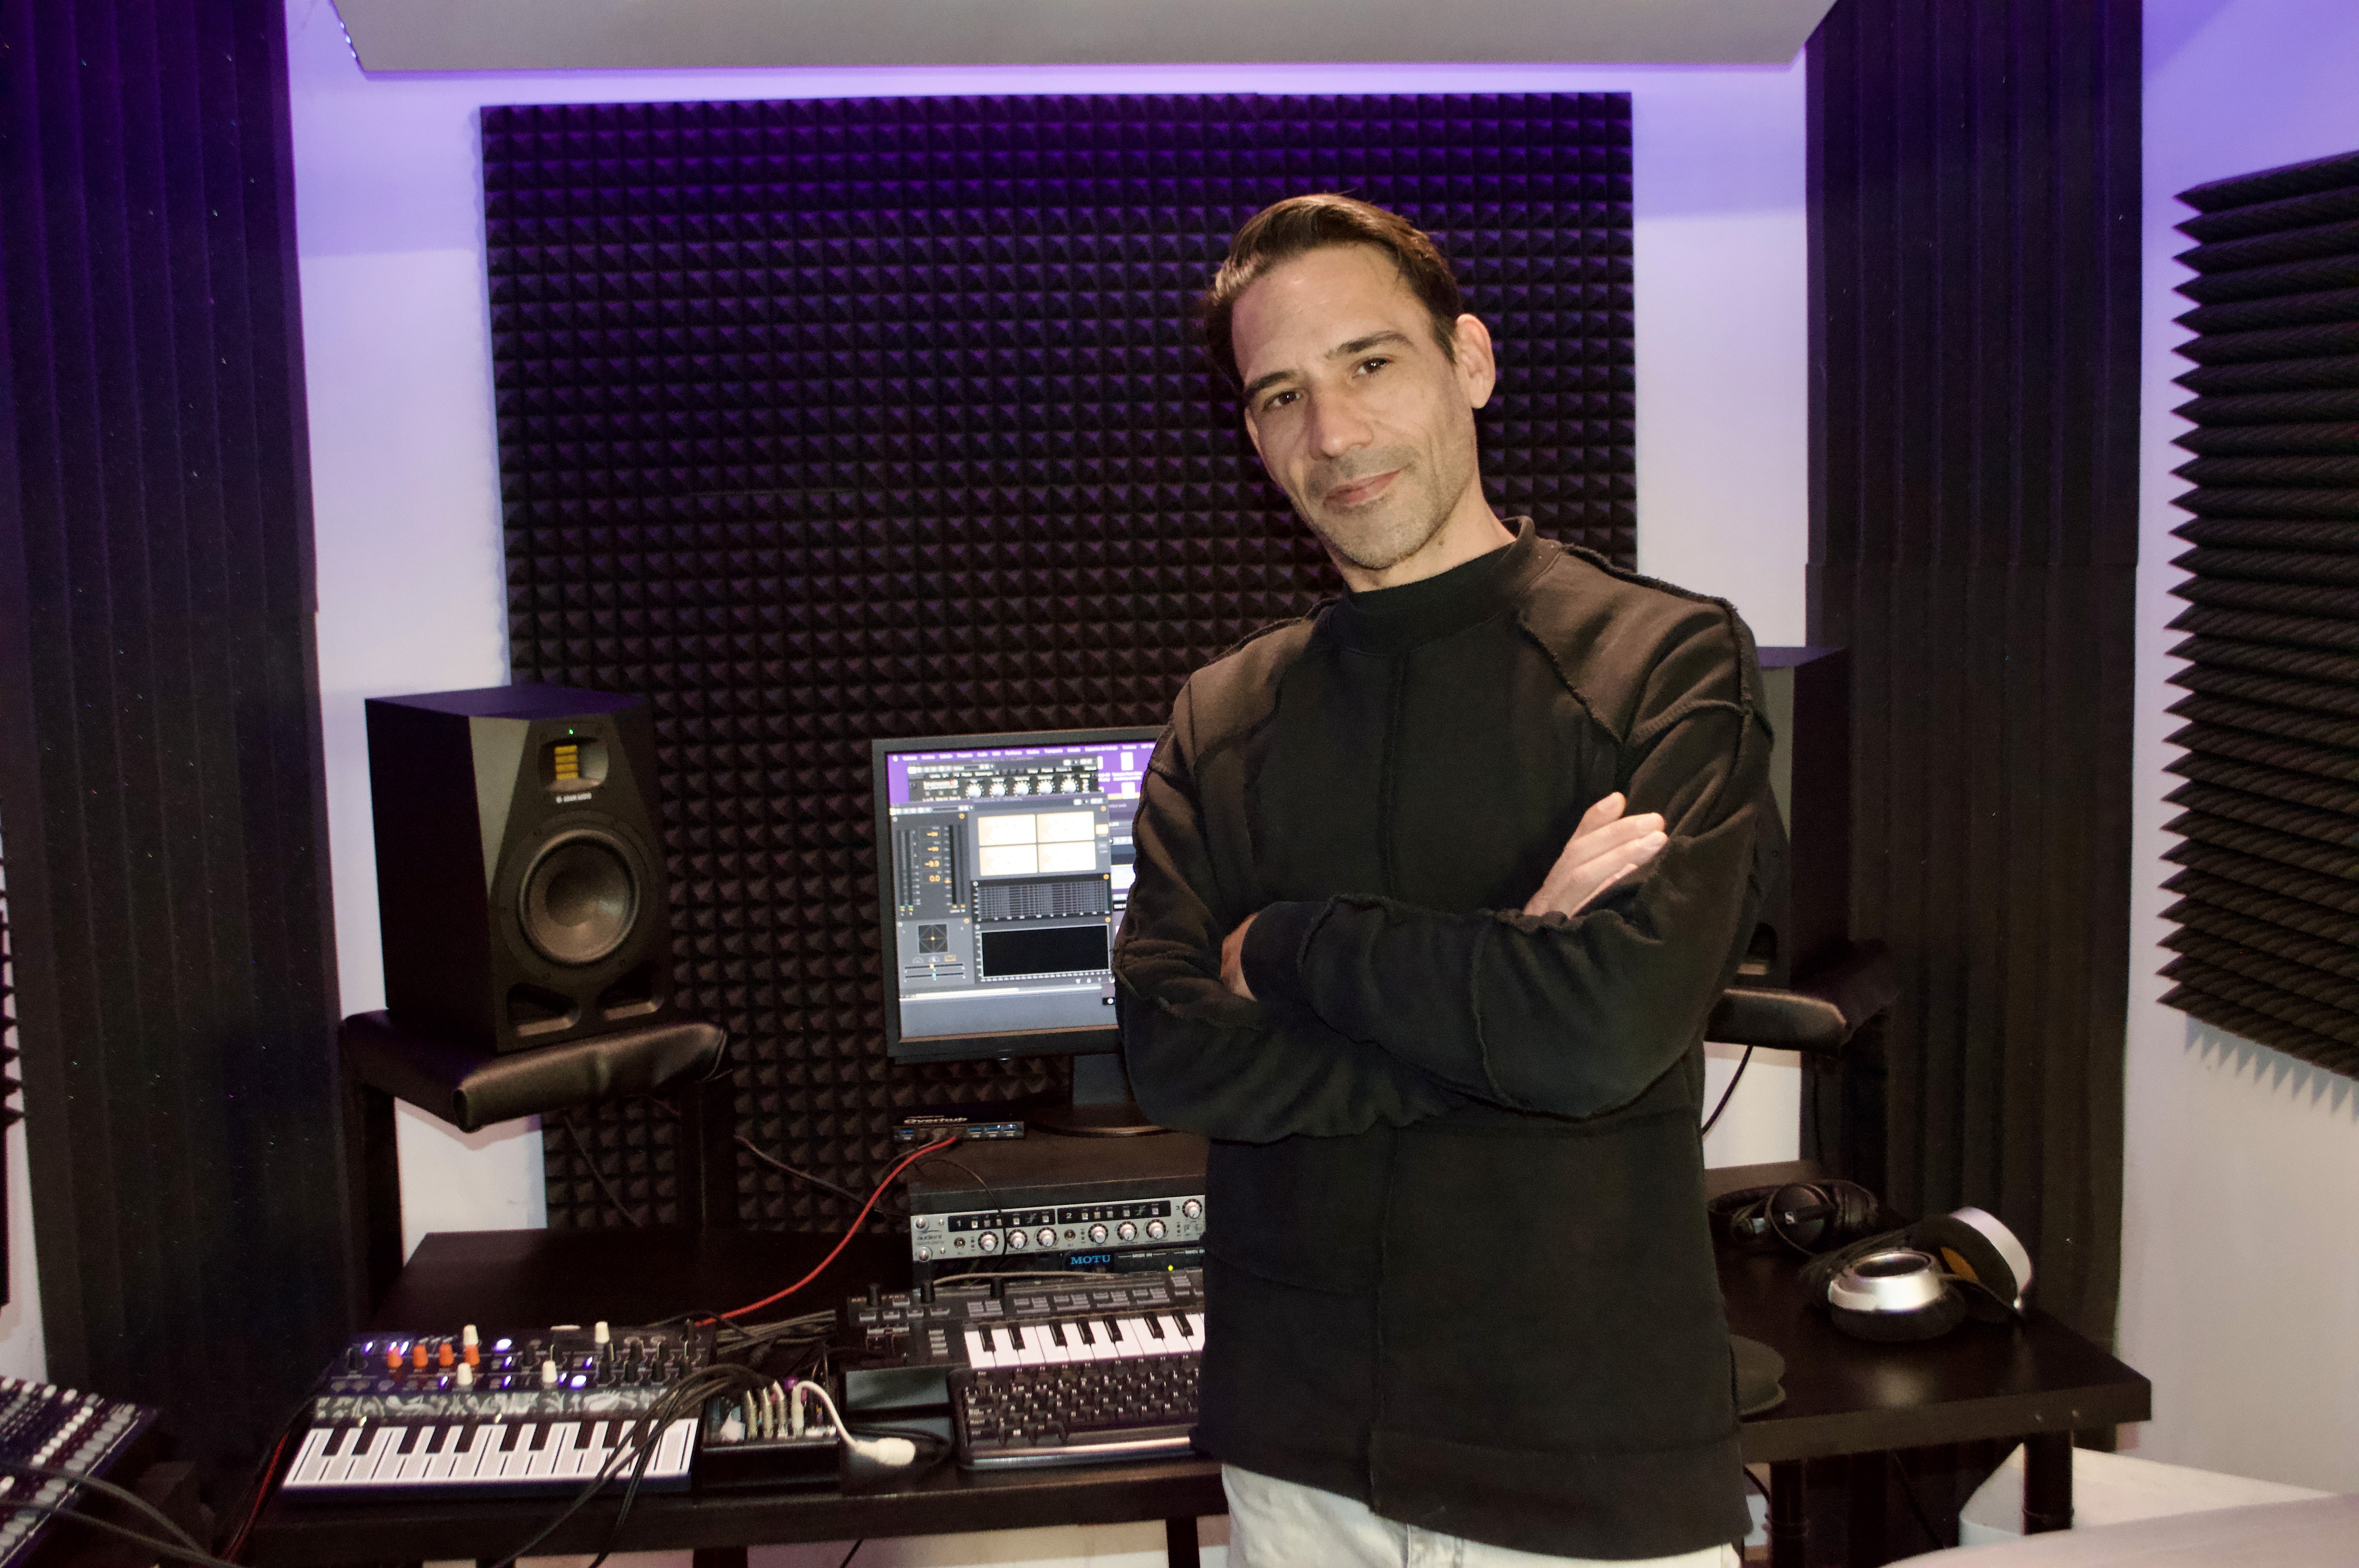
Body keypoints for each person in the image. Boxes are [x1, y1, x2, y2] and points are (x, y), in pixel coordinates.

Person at [1112, 193, 1783, 1566]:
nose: (1332, 432)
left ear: (1469, 360)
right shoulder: (1222, 717)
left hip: (1587, 1461)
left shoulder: (1662, 663)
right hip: (1301, 1463)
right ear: (1253, 433)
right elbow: (1172, 1057)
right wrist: (1511, 967)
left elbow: (1602, 1032)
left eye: (1371, 363)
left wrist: (1289, 948)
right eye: (1281, 395)